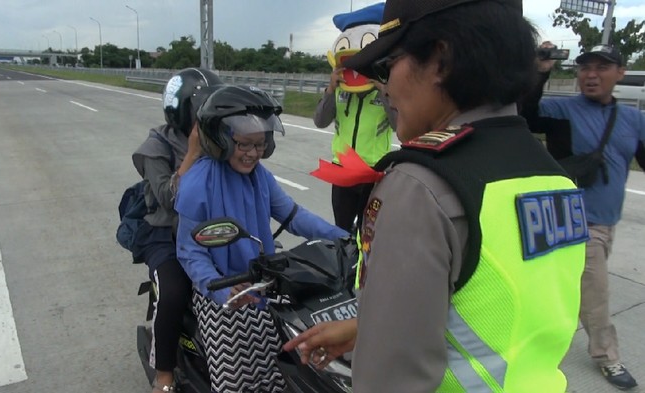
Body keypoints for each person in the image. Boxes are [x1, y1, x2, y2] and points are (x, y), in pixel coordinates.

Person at [285, 0, 589, 392]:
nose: (386, 86)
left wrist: (381, 337)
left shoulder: (420, 186)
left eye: (388, 64)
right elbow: (493, 309)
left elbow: (392, 381)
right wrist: (369, 328)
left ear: (440, 60)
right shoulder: (552, 175)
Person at [174, 84, 349, 393]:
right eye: (244, 145)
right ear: (220, 140)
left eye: (260, 144)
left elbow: (295, 216)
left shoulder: (260, 176)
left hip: (266, 286)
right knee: (238, 384)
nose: (254, 153)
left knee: (280, 373)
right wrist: (221, 292)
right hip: (224, 296)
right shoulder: (196, 185)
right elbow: (190, 251)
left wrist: (347, 240)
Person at [520, 42, 644, 390]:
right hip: (571, 219)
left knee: (570, 289)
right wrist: (540, 71)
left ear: (620, 73)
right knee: (595, 292)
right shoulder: (562, 109)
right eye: (585, 67)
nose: (591, 75)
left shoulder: (634, 119)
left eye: (602, 67)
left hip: (608, 220)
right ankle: (608, 357)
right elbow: (526, 113)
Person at [131, 67, 223, 393]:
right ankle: (164, 376)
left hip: (211, 230)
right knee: (173, 293)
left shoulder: (220, 140)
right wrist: (195, 152)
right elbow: (170, 200)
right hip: (165, 235)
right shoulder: (155, 148)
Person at [314, 2, 396, 233]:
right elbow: (320, 121)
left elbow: (398, 126)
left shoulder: (387, 90)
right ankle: (344, 267)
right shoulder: (339, 89)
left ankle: (363, 269)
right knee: (341, 230)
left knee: (368, 232)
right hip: (342, 169)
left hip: (374, 171)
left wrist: (383, 90)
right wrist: (330, 90)